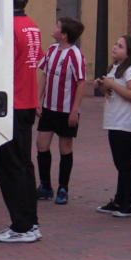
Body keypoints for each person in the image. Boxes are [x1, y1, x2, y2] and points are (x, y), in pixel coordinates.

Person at [0, 0, 42, 243]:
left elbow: (1, 65)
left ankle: (21, 226)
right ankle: (30, 222)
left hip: (12, 104)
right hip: (27, 102)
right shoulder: (31, 25)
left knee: (11, 168)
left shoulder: (9, 28)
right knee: (24, 165)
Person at [35, 17, 86, 206]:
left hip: (65, 110)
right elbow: (44, 75)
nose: (54, 28)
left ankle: (63, 187)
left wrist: (74, 110)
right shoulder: (51, 50)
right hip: (49, 108)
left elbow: (81, 83)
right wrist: (38, 100)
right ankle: (45, 185)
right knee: (41, 144)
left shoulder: (75, 55)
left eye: (57, 26)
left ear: (64, 35)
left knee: (65, 147)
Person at [96, 34, 131, 218]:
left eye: (120, 46)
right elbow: (113, 91)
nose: (115, 48)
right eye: (115, 44)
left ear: (129, 52)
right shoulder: (114, 68)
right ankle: (119, 198)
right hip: (114, 121)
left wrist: (112, 85)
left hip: (126, 123)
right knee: (119, 162)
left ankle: (129, 202)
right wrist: (104, 85)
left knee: (125, 162)